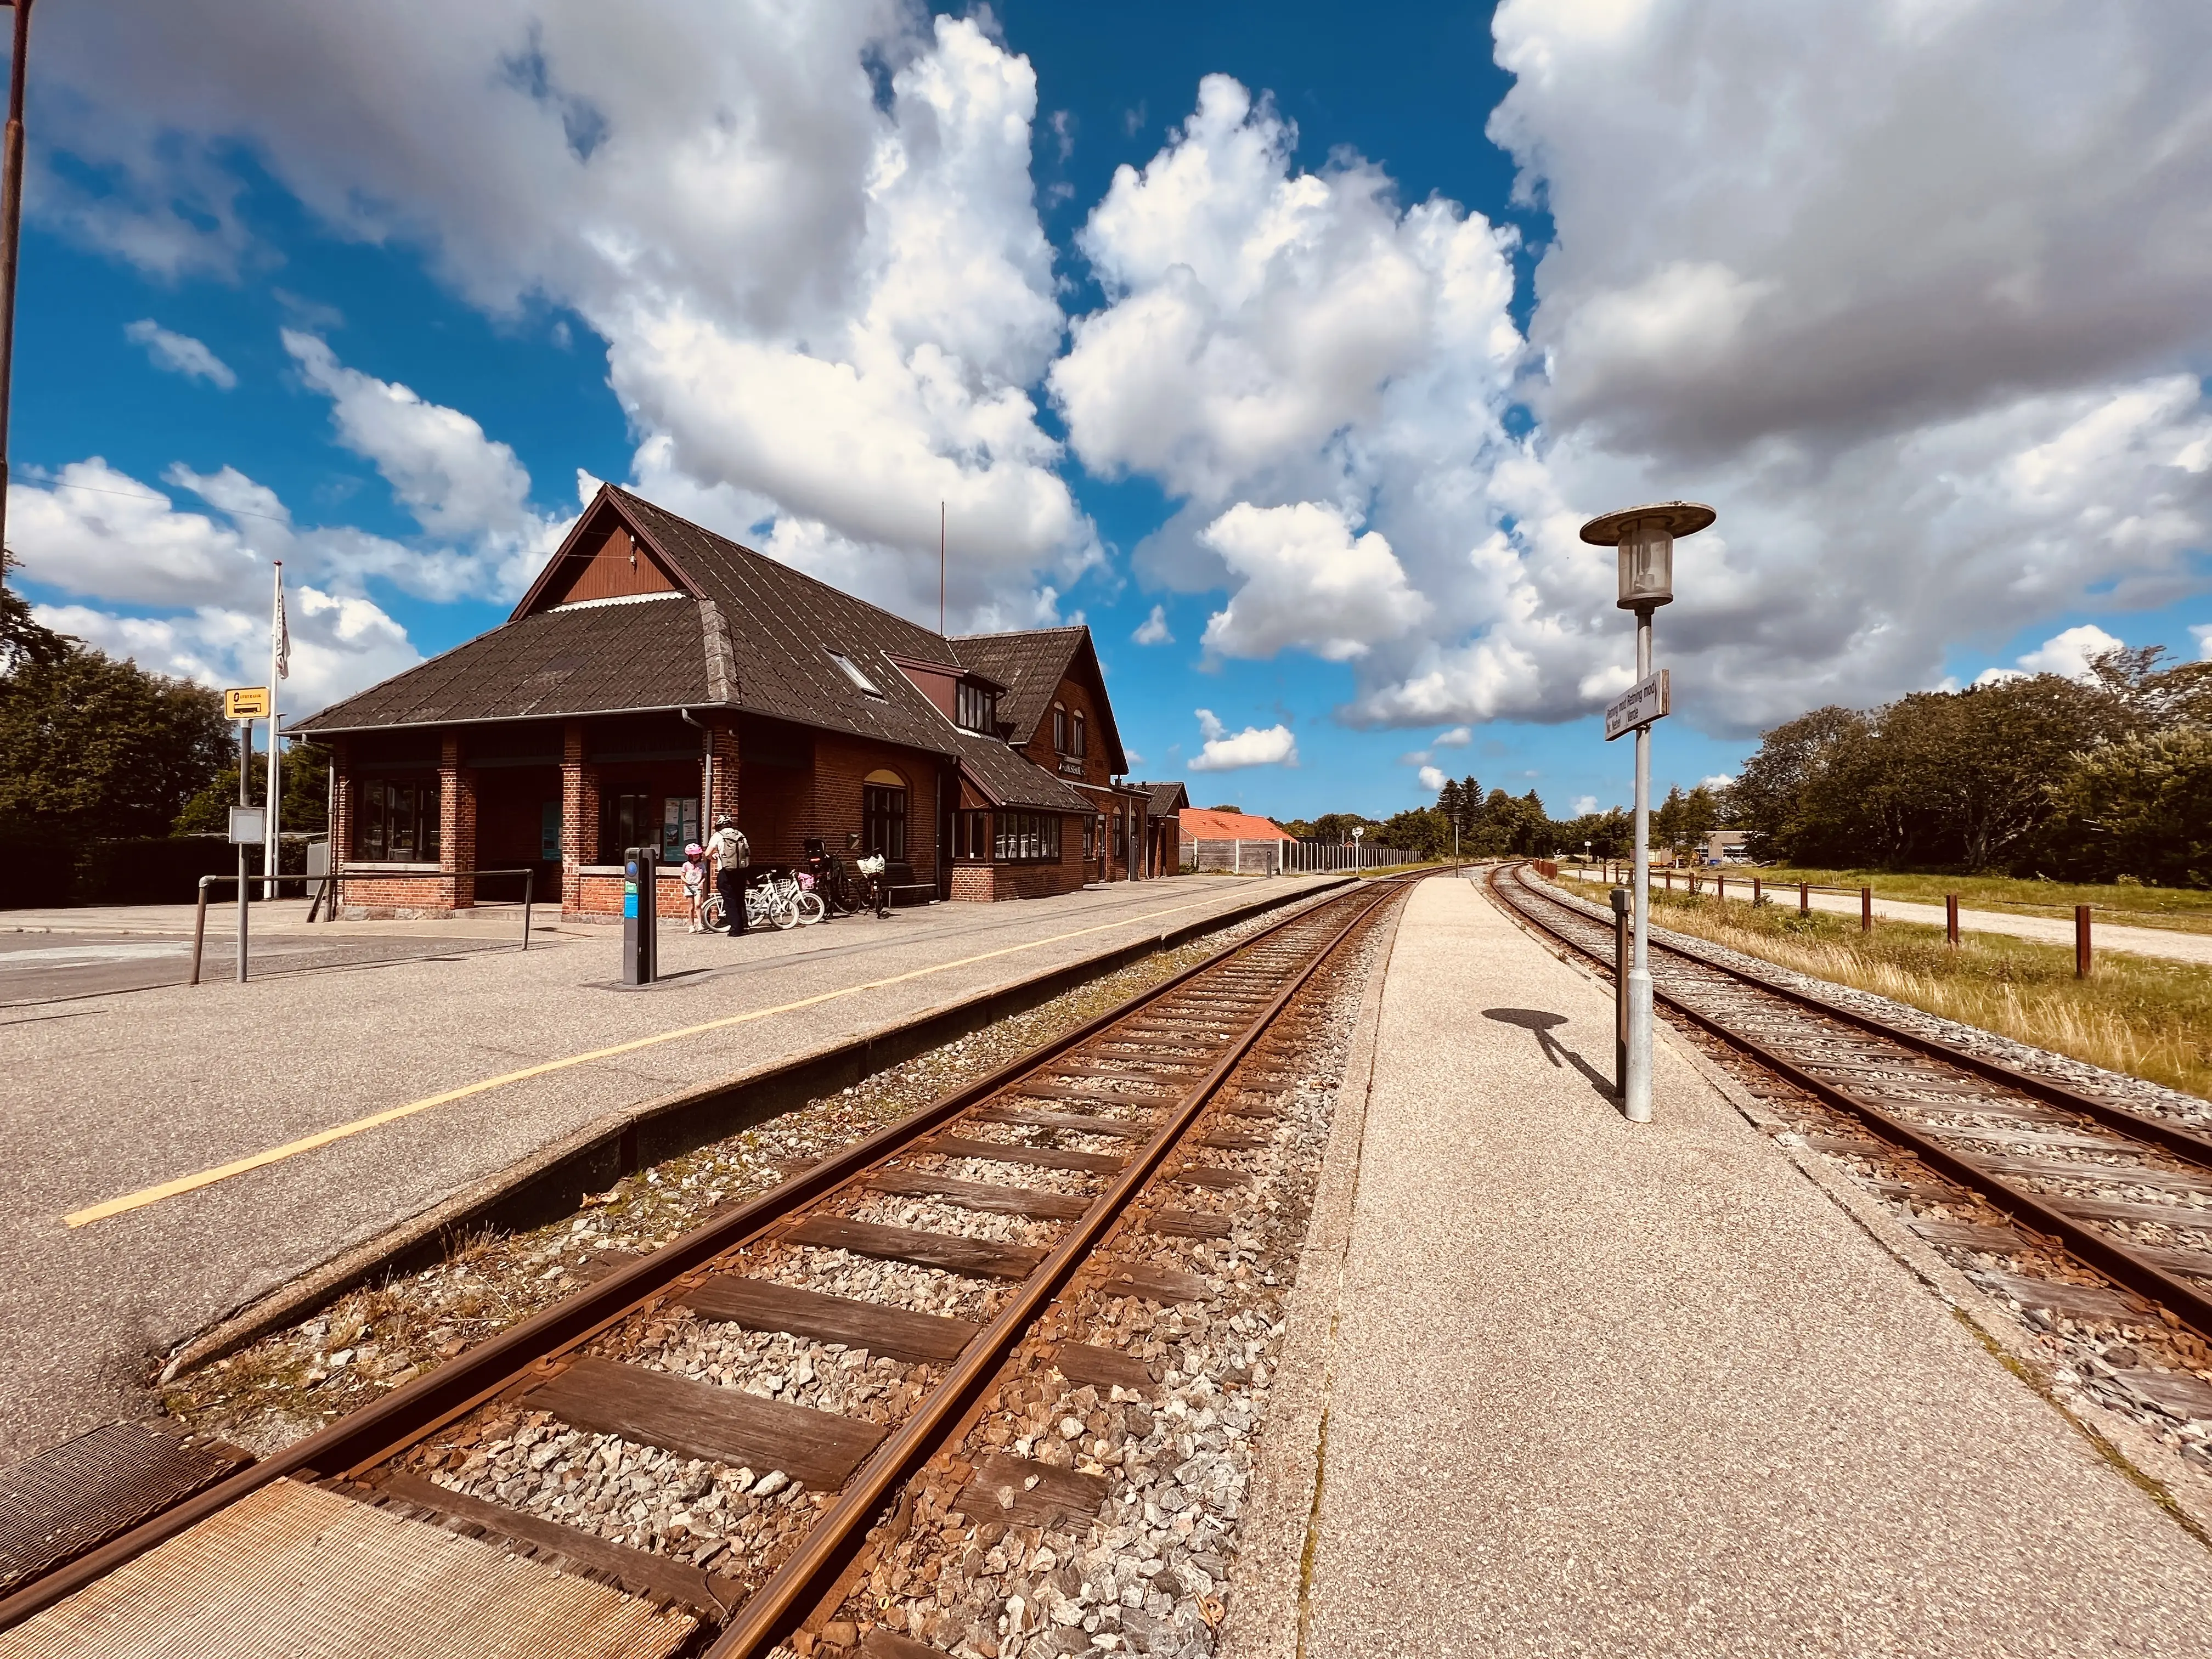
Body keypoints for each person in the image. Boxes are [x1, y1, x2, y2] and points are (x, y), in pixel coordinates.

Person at [706, 814, 749, 935]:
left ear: (719, 826)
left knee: (730, 900)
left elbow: (707, 853)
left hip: (727, 871)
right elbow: (747, 852)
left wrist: (714, 857)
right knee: (740, 898)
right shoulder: (740, 835)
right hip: (741, 870)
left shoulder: (718, 836)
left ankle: (736, 929)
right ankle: (745, 925)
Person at [681, 841, 708, 933]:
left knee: (698, 905)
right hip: (689, 887)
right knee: (691, 907)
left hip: (697, 887)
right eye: (694, 855)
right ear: (690, 856)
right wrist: (687, 882)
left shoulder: (702, 865)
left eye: (698, 855)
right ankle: (691, 925)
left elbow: (705, 877)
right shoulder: (686, 865)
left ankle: (700, 924)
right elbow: (682, 876)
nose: (696, 857)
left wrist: (701, 883)